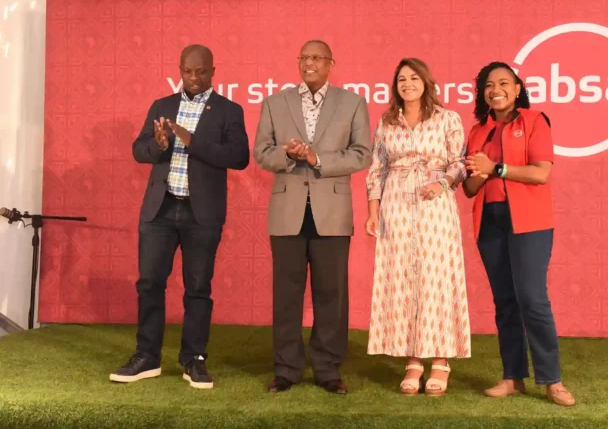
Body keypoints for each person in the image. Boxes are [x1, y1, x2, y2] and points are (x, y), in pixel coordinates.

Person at [110, 44, 250, 389]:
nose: (194, 78)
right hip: (160, 209)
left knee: (198, 288)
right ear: (180, 71)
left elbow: (239, 156)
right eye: (188, 71)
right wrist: (159, 144)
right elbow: (139, 150)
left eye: (201, 71)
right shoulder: (162, 106)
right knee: (150, 284)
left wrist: (191, 140)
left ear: (213, 71)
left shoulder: (229, 110)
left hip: (201, 213)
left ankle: (194, 360)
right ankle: (147, 357)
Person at [253, 40, 372, 394]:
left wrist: (319, 159)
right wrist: (287, 155)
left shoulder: (352, 103)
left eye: (316, 58)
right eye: (303, 57)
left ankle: (328, 369)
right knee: (286, 294)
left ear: (330, 64)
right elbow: (261, 152)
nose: (309, 63)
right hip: (287, 210)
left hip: (332, 212)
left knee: (331, 294)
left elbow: (362, 154)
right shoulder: (275, 102)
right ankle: (286, 369)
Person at [463, 61, 575, 406]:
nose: (495, 89)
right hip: (490, 221)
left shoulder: (534, 121)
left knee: (532, 298)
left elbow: (541, 174)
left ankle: (552, 380)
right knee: (505, 302)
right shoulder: (477, 131)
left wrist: (495, 168)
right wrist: (480, 173)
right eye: (488, 85)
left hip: (530, 221)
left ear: (516, 88)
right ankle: (513, 377)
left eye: (503, 83)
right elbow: (469, 188)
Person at [365, 58, 471, 396]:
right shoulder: (386, 123)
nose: (407, 84)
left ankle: (440, 359)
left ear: (426, 82)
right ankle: (412, 360)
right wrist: (373, 211)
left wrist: (442, 185)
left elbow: (458, 163)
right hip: (395, 207)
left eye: (413, 78)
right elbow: (376, 170)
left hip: (434, 206)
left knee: (435, 278)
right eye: (401, 79)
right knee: (404, 278)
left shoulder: (447, 118)